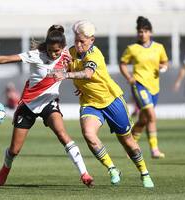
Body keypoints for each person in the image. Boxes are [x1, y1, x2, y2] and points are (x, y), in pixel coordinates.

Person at [0, 25, 94, 187]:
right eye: (50, 50)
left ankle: (85, 174)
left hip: (50, 102)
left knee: (63, 135)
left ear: (62, 48)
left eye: (56, 51)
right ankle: (6, 167)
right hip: (29, 105)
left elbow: (79, 71)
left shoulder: (67, 55)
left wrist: (80, 87)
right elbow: (5, 59)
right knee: (15, 150)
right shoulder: (35, 56)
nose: (53, 54)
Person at [51, 20, 154, 188]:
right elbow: (68, 68)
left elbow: (88, 73)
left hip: (111, 100)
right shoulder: (70, 52)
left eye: (82, 41)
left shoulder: (95, 54)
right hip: (90, 103)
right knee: (89, 134)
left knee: (127, 141)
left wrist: (68, 76)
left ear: (91, 40)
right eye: (76, 40)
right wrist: (78, 84)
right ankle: (112, 169)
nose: (78, 44)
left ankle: (144, 172)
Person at [119, 16, 168, 159]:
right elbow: (123, 63)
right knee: (152, 116)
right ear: (137, 33)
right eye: (140, 31)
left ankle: (130, 147)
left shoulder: (159, 48)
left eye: (145, 31)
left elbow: (165, 62)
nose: (143, 34)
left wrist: (163, 67)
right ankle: (155, 150)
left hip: (154, 87)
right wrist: (129, 77)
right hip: (139, 85)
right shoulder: (132, 49)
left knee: (144, 120)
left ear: (150, 32)